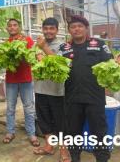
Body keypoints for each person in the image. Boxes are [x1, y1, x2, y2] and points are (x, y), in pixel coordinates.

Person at [38, 15, 113, 162]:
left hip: (95, 98)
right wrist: (44, 50)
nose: (76, 29)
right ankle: (74, 158)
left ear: (86, 28)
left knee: (99, 133)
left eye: (80, 26)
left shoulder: (98, 44)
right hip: (72, 99)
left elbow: (111, 66)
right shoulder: (64, 48)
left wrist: (109, 85)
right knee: (73, 134)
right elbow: (56, 63)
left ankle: (102, 159)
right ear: (69, 30)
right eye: (73, 27)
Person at [34, 18, 70, 162]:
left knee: (60, 122)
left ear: (57, 30)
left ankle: (63, 150)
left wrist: (44, 48)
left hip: (57, 92)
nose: (48, 31)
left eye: (51, 28)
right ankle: (49, 146)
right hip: (40, 89)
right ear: (42, 29)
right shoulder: (38, 44)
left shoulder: (63, 46)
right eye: (46, 28)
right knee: (44, 120)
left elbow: (62, 64)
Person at [2, 18, 39, 147]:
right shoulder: (6, 43)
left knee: (29, 108)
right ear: (7, 29)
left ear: (19, 27)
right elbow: (3, 61)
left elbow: (32, 57)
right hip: (11, 80)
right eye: (10, 25)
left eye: (15, 25)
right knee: (10, 108)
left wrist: (22, 56)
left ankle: (31, 134)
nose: (12, 27)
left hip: (25, 79)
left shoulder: (27, 40)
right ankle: (10, 132)